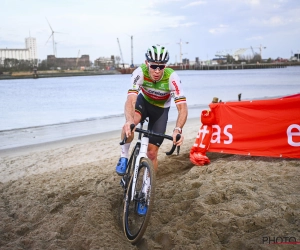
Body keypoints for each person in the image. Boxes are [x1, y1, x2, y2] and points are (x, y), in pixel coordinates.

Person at [116, 45, 188, 214]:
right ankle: (124, 156)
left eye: (161, 66)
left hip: (161, 111)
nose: (157, 70)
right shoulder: (139, 72)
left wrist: (178, 129)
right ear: (146, 63)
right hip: (143, 103)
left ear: (165, 66)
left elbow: (182, 108)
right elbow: (131, 100)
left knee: (152, 153)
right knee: (131, 124)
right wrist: (128, 121)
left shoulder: (172, 78)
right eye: (153, 66)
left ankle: (145, 192)